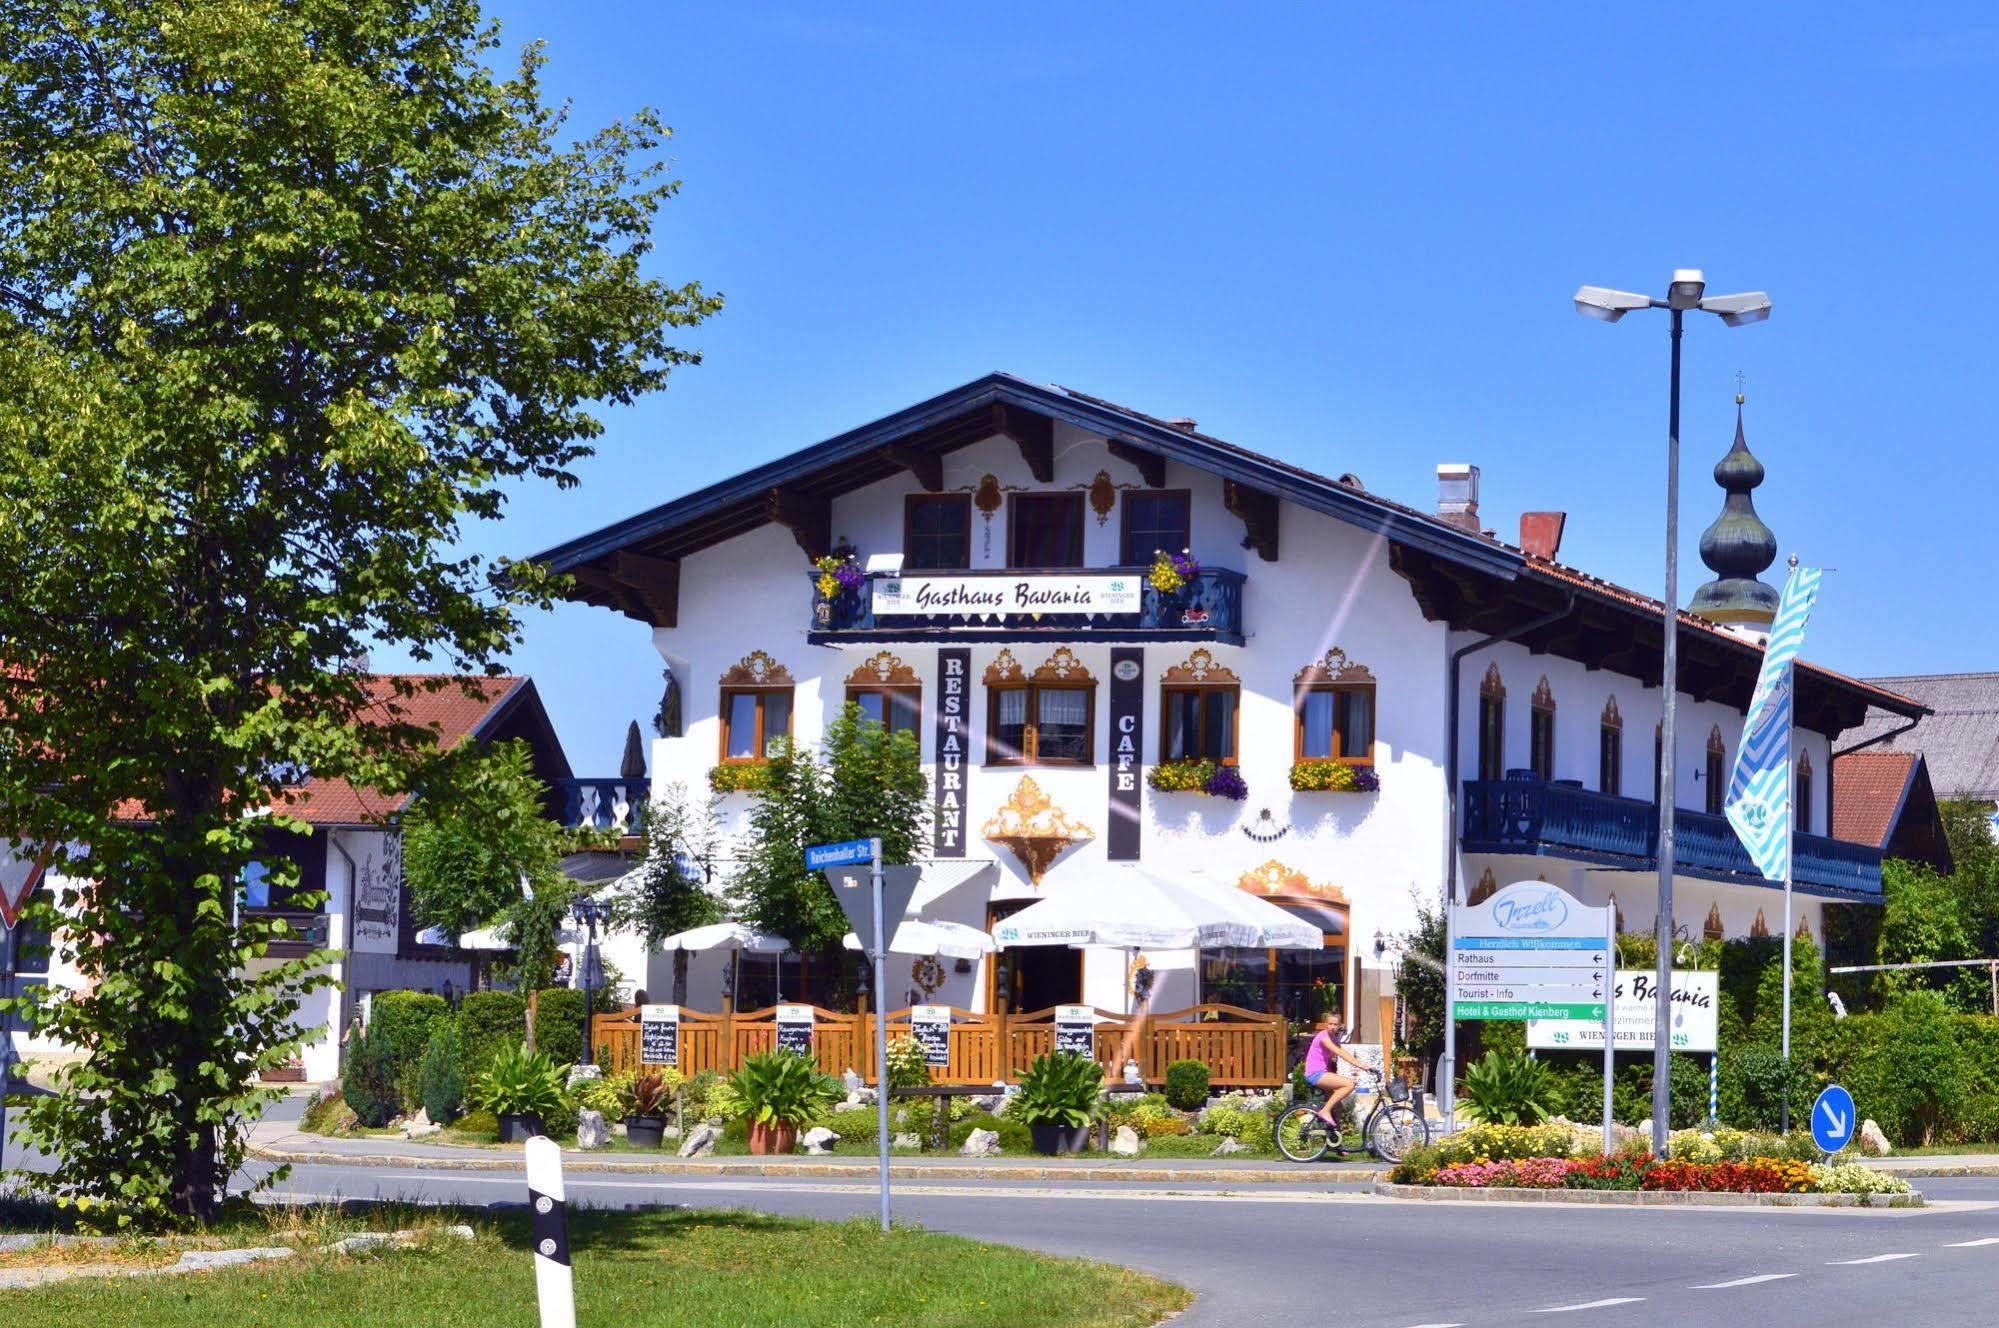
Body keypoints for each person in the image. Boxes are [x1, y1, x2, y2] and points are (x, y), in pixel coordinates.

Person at [1302, 1010, 1366, 1135]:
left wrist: (1360, 1065)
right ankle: (1324, 1111)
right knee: (1349, 1084)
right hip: (1315, 1074)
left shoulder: (1334, 1038)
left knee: (1338, 1107)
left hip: (1322, 1073)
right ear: (1326, 1024)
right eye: (1330, 1024)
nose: (1332, 1027)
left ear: (1339, 1025)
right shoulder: (1323, 1036)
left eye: (1335, 1024)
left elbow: (1342, 1053)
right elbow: (1339, 1052)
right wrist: (1361, 1065)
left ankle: (1334, 1142)